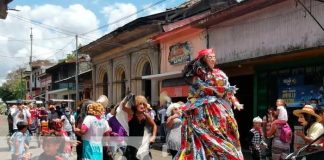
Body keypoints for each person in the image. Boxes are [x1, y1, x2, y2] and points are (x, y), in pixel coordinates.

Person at [176, 48, 244, 160]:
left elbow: (228, 91)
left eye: (214, 57)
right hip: (202, 107)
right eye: (210, 57)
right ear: (203, 59)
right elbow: (194, 91)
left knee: (223, 130)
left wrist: (236, 102)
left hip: (219, 107)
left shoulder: (220, 73)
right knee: (201, 132)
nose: (213, 59)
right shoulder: (199, 74)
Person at [122, 95, 157, 160]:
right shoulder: (131, 114)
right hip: (132, 145)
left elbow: (154, 125)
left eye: (144, 104)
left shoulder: (146, 115)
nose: (142, 106)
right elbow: (123, 107)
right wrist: (127, 98)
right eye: (140, 104)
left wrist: (153, 136)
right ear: (136, 104)